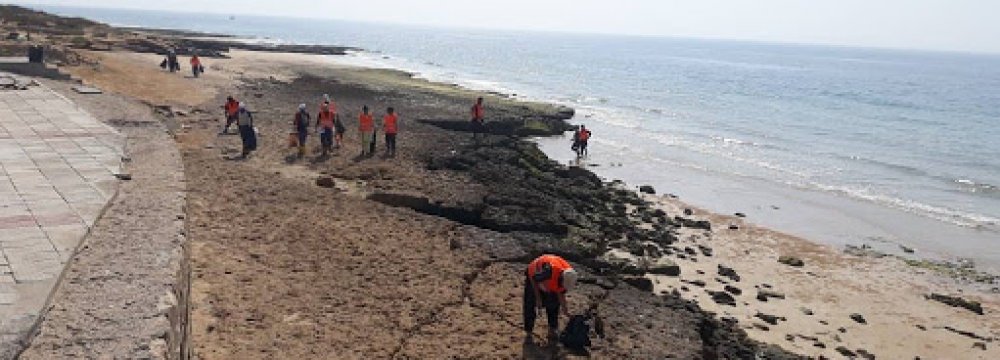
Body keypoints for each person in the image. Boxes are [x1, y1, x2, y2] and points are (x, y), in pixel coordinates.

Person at [524, 254, 578, 338]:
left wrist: (565, 311)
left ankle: (552, 329)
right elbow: (533, 279)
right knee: (529, 303)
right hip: (534, 273)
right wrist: (538, 299)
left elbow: (560, 293)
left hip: (549, 279)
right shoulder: (548, 272)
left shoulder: (569, 275)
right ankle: (529, 331)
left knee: (554, 303)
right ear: (561, 279)